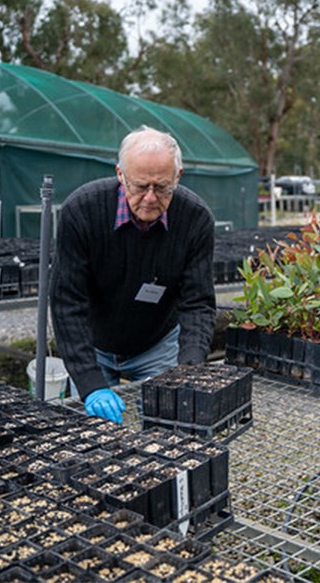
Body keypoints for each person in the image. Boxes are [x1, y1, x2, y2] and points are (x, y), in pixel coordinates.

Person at [50, 126, 217, 424]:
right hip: (94, 342)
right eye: (140, 186)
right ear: (120, 175)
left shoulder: (195, 219)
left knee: (166, 424)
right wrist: (90, 383)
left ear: (177, 177)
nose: (150, 198)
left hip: (157, 342)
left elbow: (197, 302)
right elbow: (67, 302)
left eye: (162, 187)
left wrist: (189, 370)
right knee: (96, 431)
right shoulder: (82, 211)